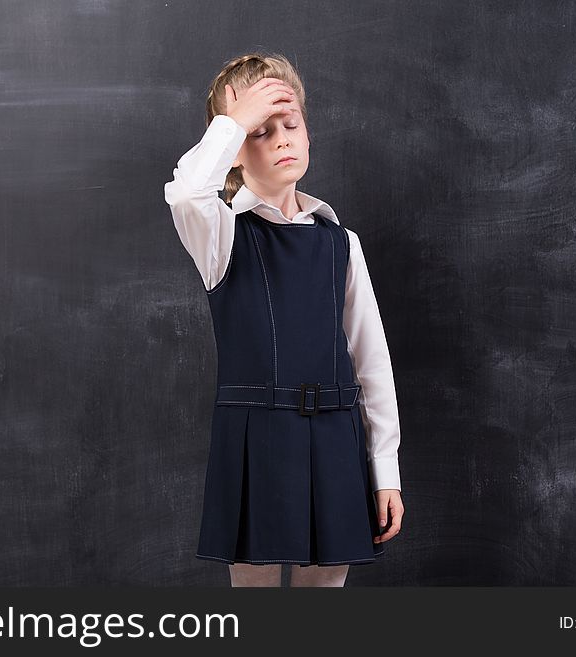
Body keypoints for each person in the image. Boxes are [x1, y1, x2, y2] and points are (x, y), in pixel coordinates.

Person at [164, 52, 404, 587]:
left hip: (335, 437)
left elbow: (372, 363)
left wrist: (384, 469)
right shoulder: (220, 236)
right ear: (231, 150)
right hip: (257, 438)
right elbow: (185, 192)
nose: (280, 140)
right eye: (258, 131)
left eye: (289, 124)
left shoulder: (342, 243)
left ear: (308, 131)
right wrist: (232, 122)